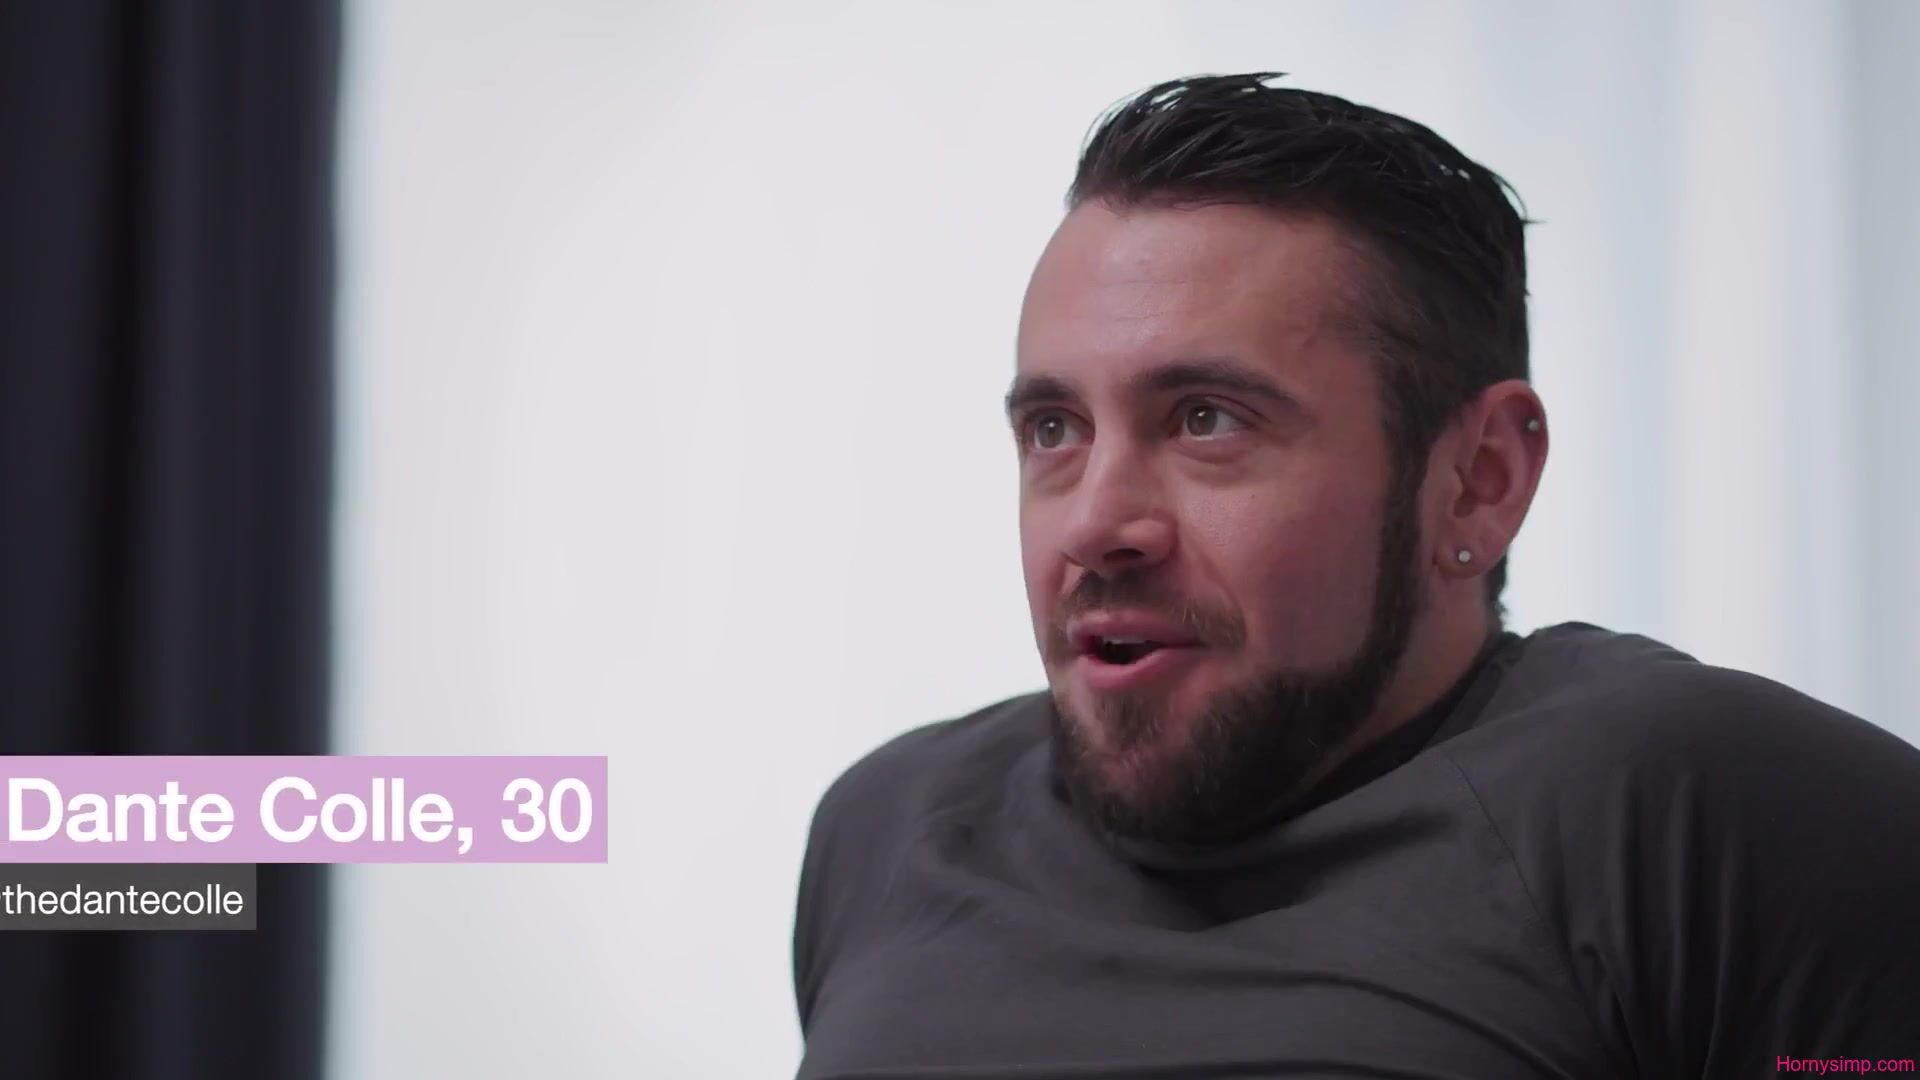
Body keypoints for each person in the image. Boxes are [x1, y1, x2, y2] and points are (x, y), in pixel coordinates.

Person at [789, 73, 1920, 1079]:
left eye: (1206, 420)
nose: (1094, 524)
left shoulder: (1703, 811)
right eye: (1054, 429)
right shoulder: (889, 824)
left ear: (1477, 481)